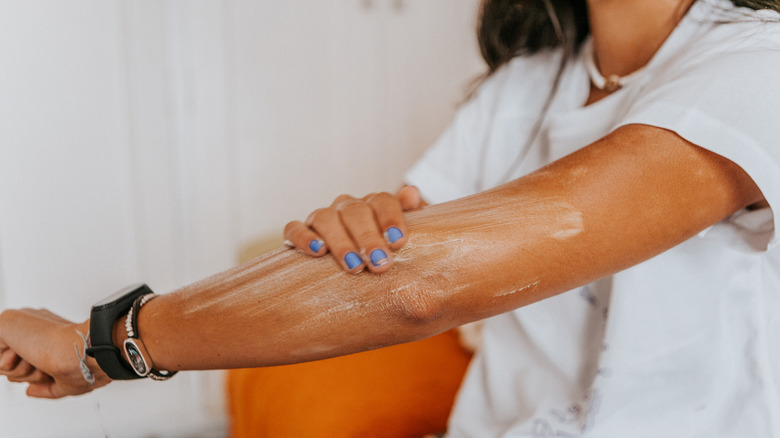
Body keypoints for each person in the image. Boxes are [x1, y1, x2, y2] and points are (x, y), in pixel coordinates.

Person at [1, 0, 779, 435]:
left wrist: (101, 345)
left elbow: (414, 287)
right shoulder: (526, 84)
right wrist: (358, 230)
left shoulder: (759, 64)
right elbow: (378, 261)